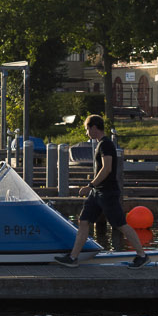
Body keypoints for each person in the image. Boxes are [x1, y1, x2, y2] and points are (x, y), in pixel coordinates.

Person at [65, 113, 142, 265]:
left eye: (87, 129)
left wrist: (90, 185)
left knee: (120, 224)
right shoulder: (100, 144)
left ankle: (142, 255)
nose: (87, 133)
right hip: (97, 193)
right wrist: (93, 188)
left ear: (94, 128)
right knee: (84, 221)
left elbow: (107, 169)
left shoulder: (106, 144)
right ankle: (73, 257)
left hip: (107, 192)